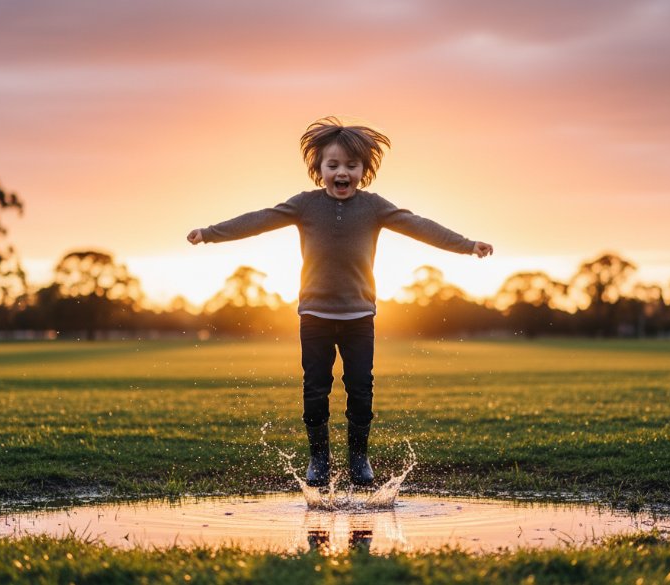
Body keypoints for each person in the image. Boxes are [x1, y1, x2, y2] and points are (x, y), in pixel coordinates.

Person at [187, 116, 493, 487]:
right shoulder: (304, 205)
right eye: (333, 165)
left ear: (364, 169)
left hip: (359, 317)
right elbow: (260, 220)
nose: (342, 172)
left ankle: (359, 460)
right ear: (319, 169)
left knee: (360, 388)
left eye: (351, 165)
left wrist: (466, 245)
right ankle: (318, 459)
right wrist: (210, 233)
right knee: (315, 389)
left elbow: (419, 225)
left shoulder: (375, 207)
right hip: (314, 315)